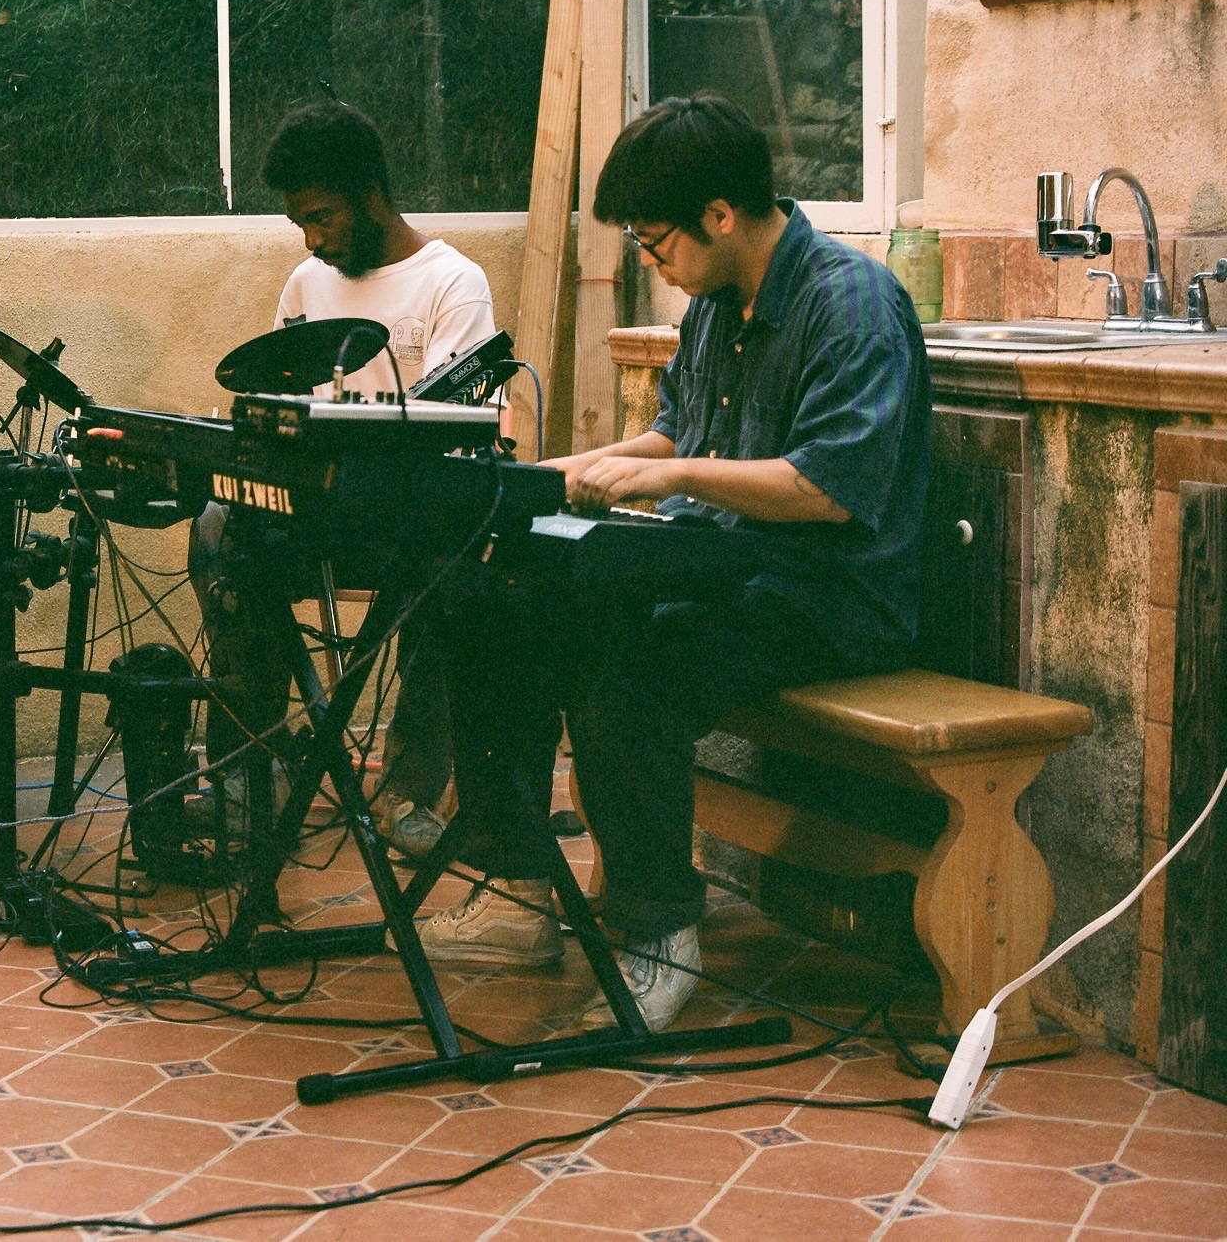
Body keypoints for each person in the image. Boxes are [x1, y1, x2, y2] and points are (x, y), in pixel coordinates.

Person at [412, 92, 931, 1030]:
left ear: (720, 215)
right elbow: (673, 435)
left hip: (830, 596)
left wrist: (671, 474)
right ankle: (519, 886)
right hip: (723, 568)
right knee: (500, 605)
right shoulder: (715, 305)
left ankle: (659, 936)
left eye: (656, 244)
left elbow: (827, 490)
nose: (654, 263)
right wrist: (553, 476)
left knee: (631, 670)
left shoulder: (852, 305)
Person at [189, 100, 497, 858]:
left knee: (457, 555)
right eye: (300, 223)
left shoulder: (453, 283)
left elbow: (458, 439)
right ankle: (252, 773)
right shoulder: (306, 283)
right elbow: (279, 410)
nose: (313, 238)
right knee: (220, 526)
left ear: (370, 192)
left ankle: (409, 789)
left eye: (322, 217)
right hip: (315, 518)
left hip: (407, 524)